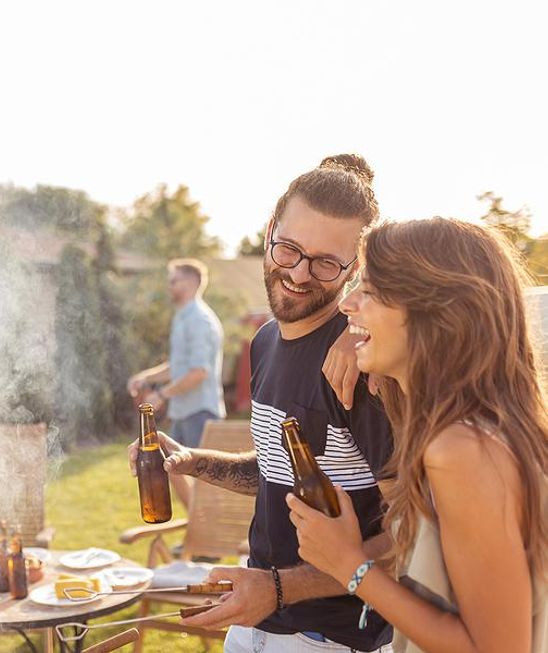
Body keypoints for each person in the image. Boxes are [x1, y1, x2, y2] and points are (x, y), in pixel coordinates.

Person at [129, 154, 396, 652]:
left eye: (325, 262)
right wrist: (193, 463)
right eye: (289, 249)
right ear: (269, 230)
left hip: (332, 639)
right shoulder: (267, 341)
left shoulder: (362, 366)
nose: (298, 273)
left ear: (355, 267)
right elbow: (285, 471)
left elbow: (412, 532)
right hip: (257, 621)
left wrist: (279, 589)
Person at [288, 218, 547, 653]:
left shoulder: (464, 451)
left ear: (434, 311)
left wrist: (348, 565)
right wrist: (378, 355)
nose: (347, 305)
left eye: (368, 291)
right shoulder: (468, 431)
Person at [127, 258, 224, 509]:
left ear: (191, 283)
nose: (169, 286)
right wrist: (146, 377)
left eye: (174, 281)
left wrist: (162, 395)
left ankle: (206, 543)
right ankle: (197, 530)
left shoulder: (199, 320)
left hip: (201, 412)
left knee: (204, 481)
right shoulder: (183, 317)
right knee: (172, 469)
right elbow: (178, 366)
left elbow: (199, 371)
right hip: (184, 412)